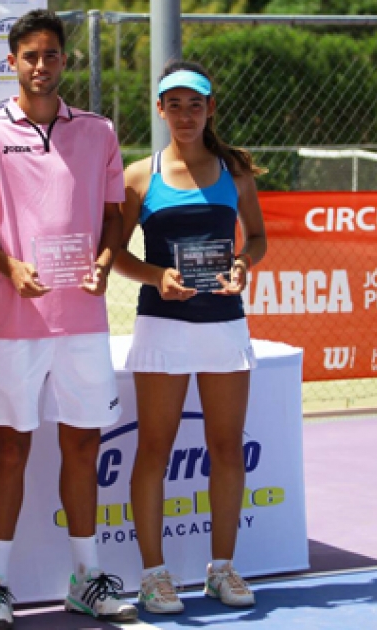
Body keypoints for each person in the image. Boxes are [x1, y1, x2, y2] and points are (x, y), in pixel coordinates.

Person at [0, 9, 136, 630]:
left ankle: (85, 579)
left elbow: (114, 215)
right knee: (11, 448)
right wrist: (9, 266)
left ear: (65, 60)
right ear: (13, 63)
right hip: (15, 324)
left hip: (82, 321)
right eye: (29, 56)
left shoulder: (98, 131)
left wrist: (107, 261)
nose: (40, 66)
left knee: (83, 445)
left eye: (50, 55)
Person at [113, 60, 268, 615]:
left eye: (194, 104)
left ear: (210, 109)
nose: (184, 114)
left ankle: (221, 570)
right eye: (173, 104)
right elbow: (117, 254)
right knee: (154, 449)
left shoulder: (236, 171)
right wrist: (159, 277)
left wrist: (245, 265)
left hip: (224, 326)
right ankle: (154, 577)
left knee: (226, 449)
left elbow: (257, 238)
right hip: (162, 327)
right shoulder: (138, 176)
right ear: (159, 110)